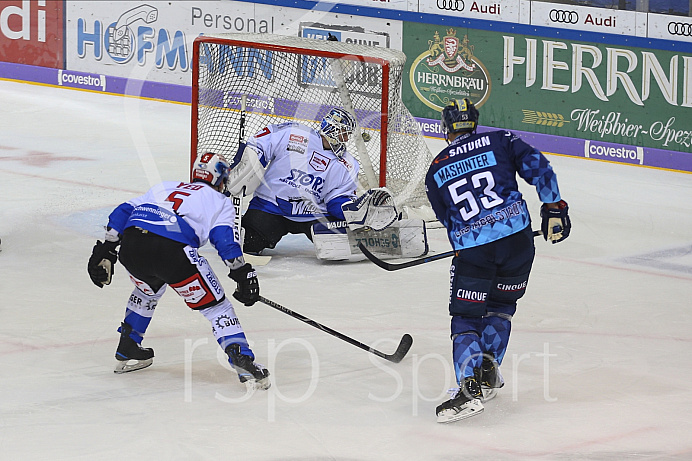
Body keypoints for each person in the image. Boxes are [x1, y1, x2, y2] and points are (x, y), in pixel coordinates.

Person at [425, 98, 571, 423]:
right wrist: (553, 209)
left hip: (475, 250)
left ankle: (469, 388)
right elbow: (540, 169)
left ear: (447, 128)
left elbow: (449, 221)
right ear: (473, 122)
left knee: (465, 318)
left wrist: (467, 249)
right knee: (501, 308)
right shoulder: (500, 140)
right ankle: (488, 370)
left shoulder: (436, 169)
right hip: (518, 242)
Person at [87, 152, 270, 390]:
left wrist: (107, 248)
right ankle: (242, 358)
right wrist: (242, 273)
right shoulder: (220, 201)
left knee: (147, 290)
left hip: (133, 248)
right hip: (171, 252)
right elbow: (224, 241)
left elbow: (123, 211)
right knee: (217, 307)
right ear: (220, 179)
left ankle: (128, 346)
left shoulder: (165, 186)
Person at [231, 108, 361, 255]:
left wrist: (353, 211)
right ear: (333, 129)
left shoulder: (348, 164)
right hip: (272, 206)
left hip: (314, 214)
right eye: (345, 133)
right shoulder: (294, 134)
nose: (347, 139)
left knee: (342, 249)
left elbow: (337, 198)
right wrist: (248, 164)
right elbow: (259, 143)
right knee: (250, 243)